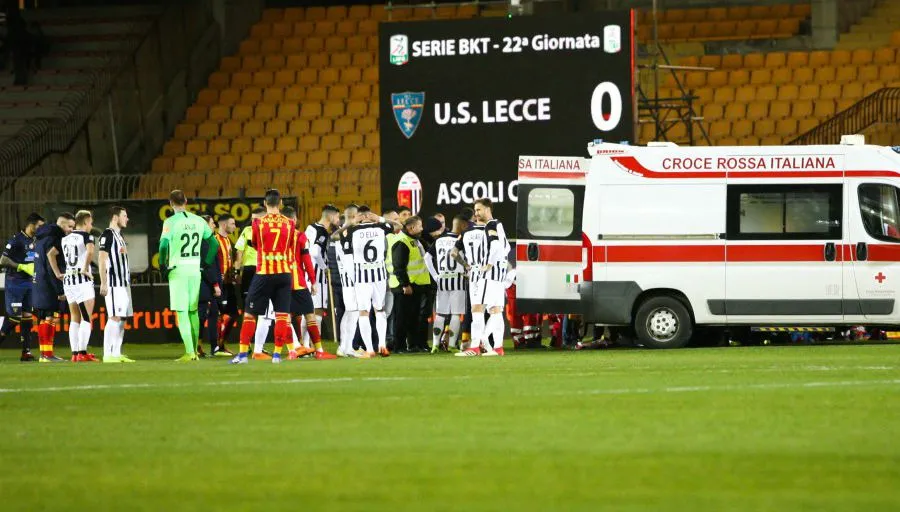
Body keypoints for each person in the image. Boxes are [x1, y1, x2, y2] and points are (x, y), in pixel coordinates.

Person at [231, 189, 294, 364]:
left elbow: (257, 245)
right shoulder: (290, 224)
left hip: (264, 273)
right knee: (282, 315)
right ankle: (276, 355)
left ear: (265, 204)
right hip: (283, 273)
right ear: (280, 203)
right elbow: (289, 245)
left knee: (250, 314)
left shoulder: (258, 223)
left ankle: (243, 355)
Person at [158, 190, 219, 361]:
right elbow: (214, 244)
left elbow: (163, 246)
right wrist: (205, 263)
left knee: (182, 312)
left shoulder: (170, 222)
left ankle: (190, 352)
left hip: (178, 270)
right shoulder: (199, 220)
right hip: (194, 270)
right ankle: (195, 351)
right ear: (186, 201)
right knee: (193, 311)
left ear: (171, 203)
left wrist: (162, 265)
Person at [331, 210, 399, 358]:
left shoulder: (352, 231)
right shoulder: (380, 228)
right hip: (379, 275)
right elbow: (399, 226)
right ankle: (382, 345)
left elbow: (334, 237)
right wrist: (380, 219)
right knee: (379, 310)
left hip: (362, 277)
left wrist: (350, 223)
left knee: (363, 312)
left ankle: (369, 349)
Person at [453, 198, 510, 357]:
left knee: (478, 308)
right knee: (496, 310)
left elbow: (497, 246)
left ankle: (477, 345)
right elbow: (507, 247)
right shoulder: (498, 224)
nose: (476, 213)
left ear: (487, 209)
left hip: (489, 274)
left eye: (478, 210)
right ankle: (497, 348)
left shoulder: (491, 225)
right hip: (499, 274)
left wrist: (490, 264)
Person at [282, 206, 335, 360]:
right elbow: (307, 259)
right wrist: (313, 280)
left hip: (278, 280)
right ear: (293, 219)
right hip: (298, 281)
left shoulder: (274, 236)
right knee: (310, 315)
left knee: (283, 316)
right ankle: (317, 350)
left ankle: (293, 350)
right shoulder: (300, 236)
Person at [0, 212, 44, 361]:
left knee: (27, 317)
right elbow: (3, 260)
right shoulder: (16, 240)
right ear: (31, 225)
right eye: (39, 226)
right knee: (14, 317)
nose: (41, 229)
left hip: (30, 283)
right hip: (15, 282)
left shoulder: (37, 240)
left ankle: (26, 352)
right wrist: (20, 266)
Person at [32, 212, 74, 362]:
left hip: (39, 281)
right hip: (50, 282)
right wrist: (59, 288)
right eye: (69, 226)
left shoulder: (42, 236)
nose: (70, 230)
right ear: (61, 224)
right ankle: (47, 355)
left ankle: (45, 354)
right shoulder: (56, 238)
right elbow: (51, 262)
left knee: (44, 318)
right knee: (51, 317)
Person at [388, 216, 431, 353]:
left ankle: (413, 345)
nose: (422, 228)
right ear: (412, 228)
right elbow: (398, 266)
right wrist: (405, 285)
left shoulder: (415, 240)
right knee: (401, 318)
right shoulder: (402, 242)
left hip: (415, 285)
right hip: (404, 287)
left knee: (413, 318)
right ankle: (399, 346)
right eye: (420, 226)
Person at [98, 206, 135, 363]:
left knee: (122, 318)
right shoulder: (108, 234)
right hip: (113, 284)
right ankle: (108, 354)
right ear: (115, 217)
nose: (127, 218)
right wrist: (104, 283)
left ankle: (117, 353)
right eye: (124, 215)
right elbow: (101, 259)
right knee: (113, 317)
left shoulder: (119, 236)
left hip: (123, 284)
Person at [425, 214, 467, 352]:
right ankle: (452, 344)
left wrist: (436, 276)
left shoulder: (439, 241)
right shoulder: (461, 239)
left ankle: (435, 345)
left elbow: (427, 257)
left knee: (441, 314)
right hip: (458, 279)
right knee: (455, 314)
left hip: (442, 280)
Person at [61, 210, 98, 362]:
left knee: (75, 318)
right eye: (90, 223)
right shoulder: (87, 236)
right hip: (81, 281)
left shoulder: (66, 238)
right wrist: (85, 268)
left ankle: (75, 353)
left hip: (68, 280)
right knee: (86, 317)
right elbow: (90, 252)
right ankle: (82, 352)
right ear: (85, 222)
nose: (91, 226)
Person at [301, 204, 339, 350]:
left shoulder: (310, 227)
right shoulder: (322, 231)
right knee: (317, 311)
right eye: (336, 216)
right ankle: (315, 345)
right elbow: (315, 252)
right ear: (329, 216)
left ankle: (304, 345)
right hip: (317, 275)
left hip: (306, 272)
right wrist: (325, 267)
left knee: (307, 311)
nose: (337, 219)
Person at [332, 204, 361, 357]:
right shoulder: (348, 232)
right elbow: (350, 259)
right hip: (352, 280)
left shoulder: (341, 232)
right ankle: (347, 347)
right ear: (353, 216)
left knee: (349, 313)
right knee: (353, 313)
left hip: (345, 280)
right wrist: (358, 281)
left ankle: (343, 346)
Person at [197, 215, 222, 358]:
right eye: (212, 223)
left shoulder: (203, 241)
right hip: (205, 285)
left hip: (205, 283)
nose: (214, 226)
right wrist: (215, 284)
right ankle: (198, 346)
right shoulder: (206, 242)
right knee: (202, 316)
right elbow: (208, 266)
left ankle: (213, 346)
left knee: (211, 314)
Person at [213, 213, 237, 356]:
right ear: (223, 225)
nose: (234, 226)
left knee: (233, 314)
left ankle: (221, 344)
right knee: (220, 315)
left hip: (229, 283)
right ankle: (217, 346)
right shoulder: (215, 241)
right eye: (232, 223)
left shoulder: (228, 240)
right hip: (220, 283)